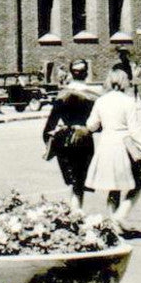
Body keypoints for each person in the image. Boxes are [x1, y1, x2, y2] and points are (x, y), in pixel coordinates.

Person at [86, 67, 141, 231]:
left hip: (106, 143)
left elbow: (91, 125)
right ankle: (120, 215)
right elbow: (134, 128)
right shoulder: (128, 101)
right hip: (124, 144)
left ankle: (114, 222)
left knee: (113, 186)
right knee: (138, 181)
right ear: (124, 82)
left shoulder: (101, 101)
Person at [42, 59, 96, 211]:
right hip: (84, 139)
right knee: (80, 181)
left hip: (65, 139)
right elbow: (98, 125)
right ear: (86, 73)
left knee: (72, 180)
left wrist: (49, 144)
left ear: (71, 74)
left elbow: (49, 126)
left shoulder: (62, 95)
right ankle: (76, 213)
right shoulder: (93, 96)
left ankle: (74, 213)